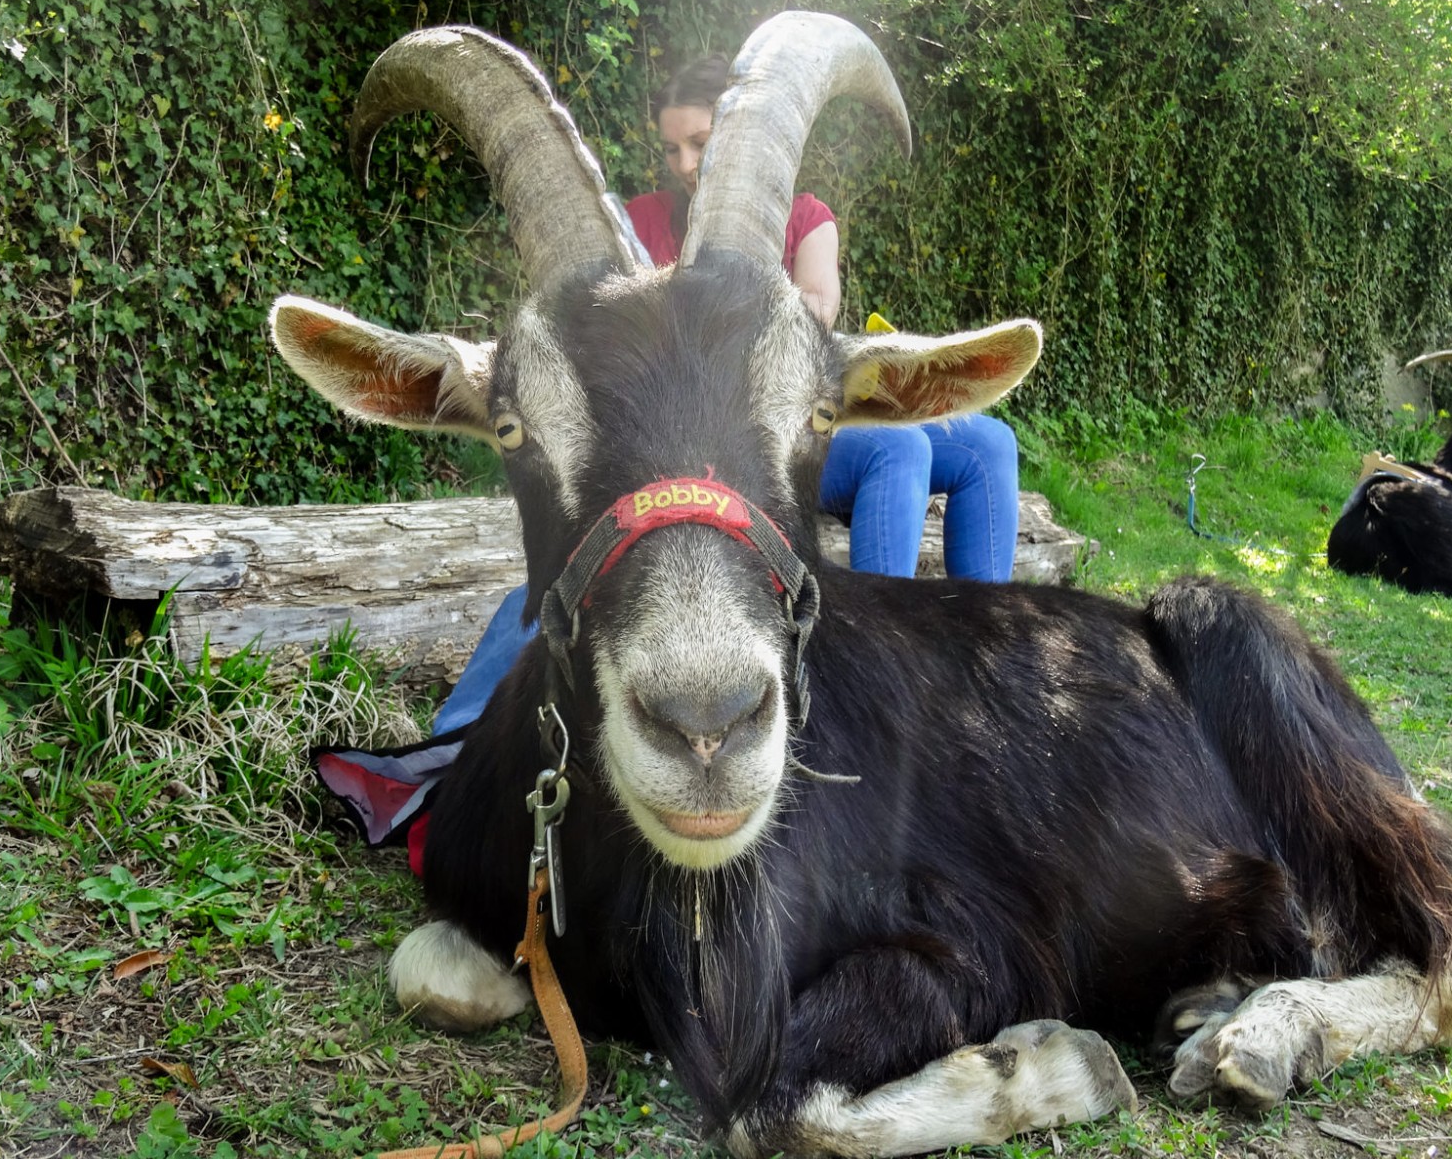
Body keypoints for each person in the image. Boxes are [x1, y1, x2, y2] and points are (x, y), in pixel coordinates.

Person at [433, 54, 1021, 733]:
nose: (685, 163)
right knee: (900, 451)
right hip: (703, 438)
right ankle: (851, 663)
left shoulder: (802, 217)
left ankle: (989, 659)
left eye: (701, 145)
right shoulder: (635, 226)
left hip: (783, 402)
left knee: (988, 445)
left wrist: (748, 304)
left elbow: (817, 309)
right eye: (672, 148)